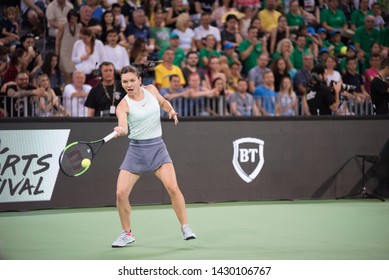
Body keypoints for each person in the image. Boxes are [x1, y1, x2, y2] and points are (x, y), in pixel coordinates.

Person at [111, 65, 196, 247]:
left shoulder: (151, 90)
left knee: (173, 187)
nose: (129, 84)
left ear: (140, 80)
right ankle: (127, 234)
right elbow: (124, 127)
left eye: (132, 80)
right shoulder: (123, 105)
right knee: (121, 193)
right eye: (125, 81)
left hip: (157, 148)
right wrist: (120, 130)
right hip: (136, 151)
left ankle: (185, 227)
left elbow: (163, 102)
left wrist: (170, 110)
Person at [56, 9, 82, 84]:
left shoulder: (79, 26)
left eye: (75, 18)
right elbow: (58, 40)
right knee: (67, 74)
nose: (73, 20)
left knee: (74, 74)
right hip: (65, 52)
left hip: (75, 53)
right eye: (72, 18)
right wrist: (57, 53)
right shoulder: (63, 26)